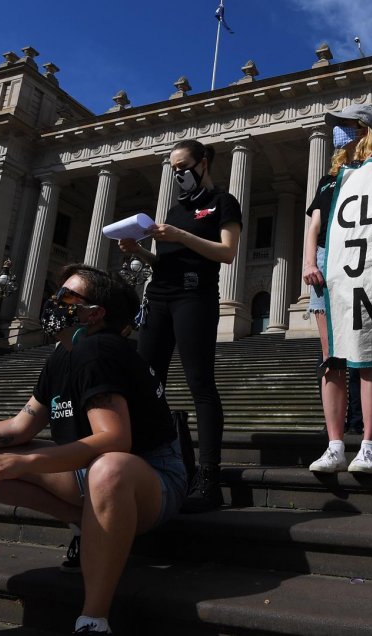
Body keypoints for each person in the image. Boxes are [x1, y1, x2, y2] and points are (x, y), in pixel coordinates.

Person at [0, 264, 183, 635]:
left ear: (94, 313)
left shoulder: (99, 349)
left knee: (109, 468)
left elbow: (115, 441)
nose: (52, 303)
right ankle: (93, 530)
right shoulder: (62, 355)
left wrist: (23, 462)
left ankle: (93, 620)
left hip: (150, 479)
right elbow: (20, 426)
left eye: (65, 297)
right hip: (90, 472)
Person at [117, 139, 241, 512]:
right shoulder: (174, 208)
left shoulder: (223, 202)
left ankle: (209, 476)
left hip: (194, 296)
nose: (177, 174)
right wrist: (139, 252)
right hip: (160, 297)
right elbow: (166, 262)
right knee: (147, 381)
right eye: (173, 169)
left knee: (200, 382)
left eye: (182, 166)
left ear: (203, 163)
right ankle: (153, 461)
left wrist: (181, 235)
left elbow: (227, 253)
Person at [303, 104, 372, 474]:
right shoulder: (328, 180)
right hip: (327, 263)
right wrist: (309, 262)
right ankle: (335, 444)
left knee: (368, 355)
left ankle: (369, 444)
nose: (338, 133)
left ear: (364, 130)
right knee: (331, 360)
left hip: (367, 260)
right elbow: (313, 226)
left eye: (345, 126)